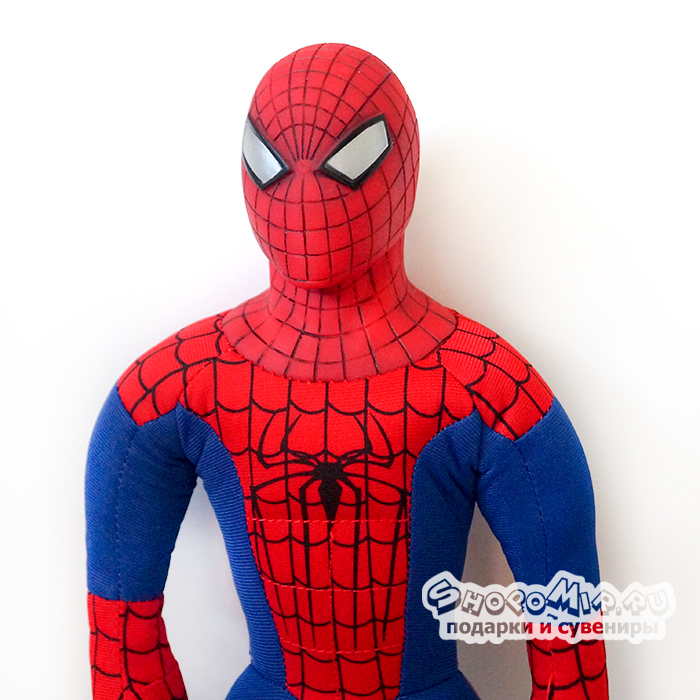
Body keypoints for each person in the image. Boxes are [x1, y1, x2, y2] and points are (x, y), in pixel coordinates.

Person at [86, 43, 608, 700]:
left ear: (405, 170)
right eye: (272, 165)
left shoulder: (483, 382)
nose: (305, 195)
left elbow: (569, 631)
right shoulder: (179, 382)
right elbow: (122, 635)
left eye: (348, 163)